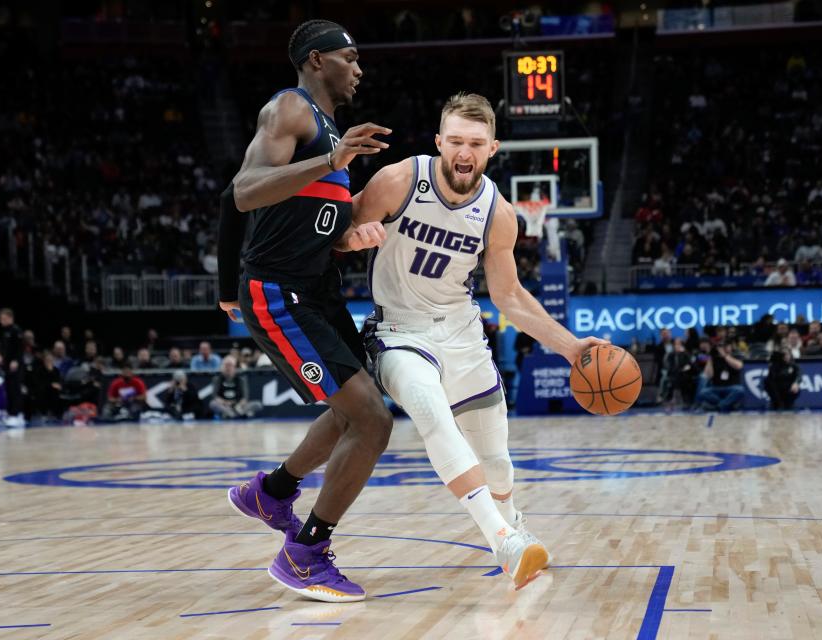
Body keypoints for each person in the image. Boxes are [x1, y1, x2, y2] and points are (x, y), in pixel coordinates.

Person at [351, 93, 608, 589]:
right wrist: (351, 238)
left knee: (496, 460)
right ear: (439, 143)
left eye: (474, 143)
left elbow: (509, 296)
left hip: (462, 331)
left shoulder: (499, 213)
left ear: (492, 148)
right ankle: (503, 541)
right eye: (455, 141)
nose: (463, 151)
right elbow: (340, 230)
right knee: (429, 409)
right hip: (398, 329)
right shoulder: (398, 180)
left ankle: (512, 522)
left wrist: (573, 348)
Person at [217, 19, 393, 603]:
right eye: (351, 57)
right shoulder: (289, 110)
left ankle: (272, 491)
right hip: (276, 292)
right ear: (317, 60)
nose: (359, 68)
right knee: (372, 421)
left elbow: (319, 227)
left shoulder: (332, 136)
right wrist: (330, 160)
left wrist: (352, 237)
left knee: (357, 415)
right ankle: (305, 553)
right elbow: (244, 190)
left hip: (316, 290)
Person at [695, 341, 744, 412]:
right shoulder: (714, 359)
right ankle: (725, 405)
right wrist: (710, 359)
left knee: (740, 390)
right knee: (703, 392)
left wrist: (725, 356)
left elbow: (739, 366)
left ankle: (718, 406)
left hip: (732, 386)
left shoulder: (735, 356)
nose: (721, 349)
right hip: (716, 387)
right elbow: (708, 375)